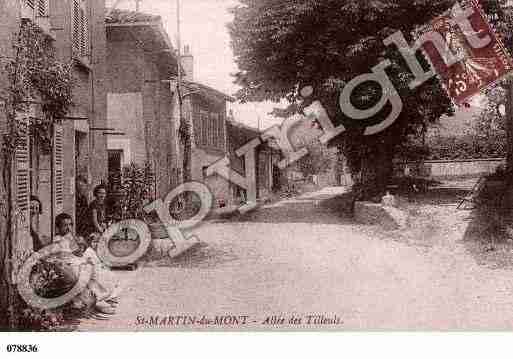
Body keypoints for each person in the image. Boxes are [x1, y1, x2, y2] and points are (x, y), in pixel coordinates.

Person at [54, 213, 119, 315]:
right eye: (65, 225)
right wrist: (83, 259)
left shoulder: (70, 237)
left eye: (70, 225)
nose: (68, 228)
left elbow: (78, 251)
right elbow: (66, 257)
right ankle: (98, 300)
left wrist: (84, 247)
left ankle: (103, 296)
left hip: (76, 262)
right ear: (58, 227)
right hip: (69, 266)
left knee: (99, 268)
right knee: (90, 269)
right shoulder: (58, 240)